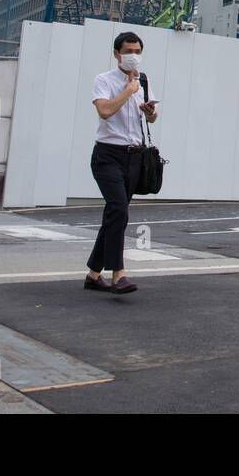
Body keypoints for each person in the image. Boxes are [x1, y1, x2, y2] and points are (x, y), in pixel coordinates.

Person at [85, 31, 157, 294]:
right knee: (119, 211)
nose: (133, 56)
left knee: (114, 214)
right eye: (128, 51)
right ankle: (118, 274)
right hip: (107, 155)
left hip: (135, 157)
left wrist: (150, 112)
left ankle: (94, 274)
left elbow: (151, 119)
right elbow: (104, 111)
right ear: (116, 53)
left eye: (137, 51)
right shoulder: (103, 80)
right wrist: (128, 90)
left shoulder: (144, 80)